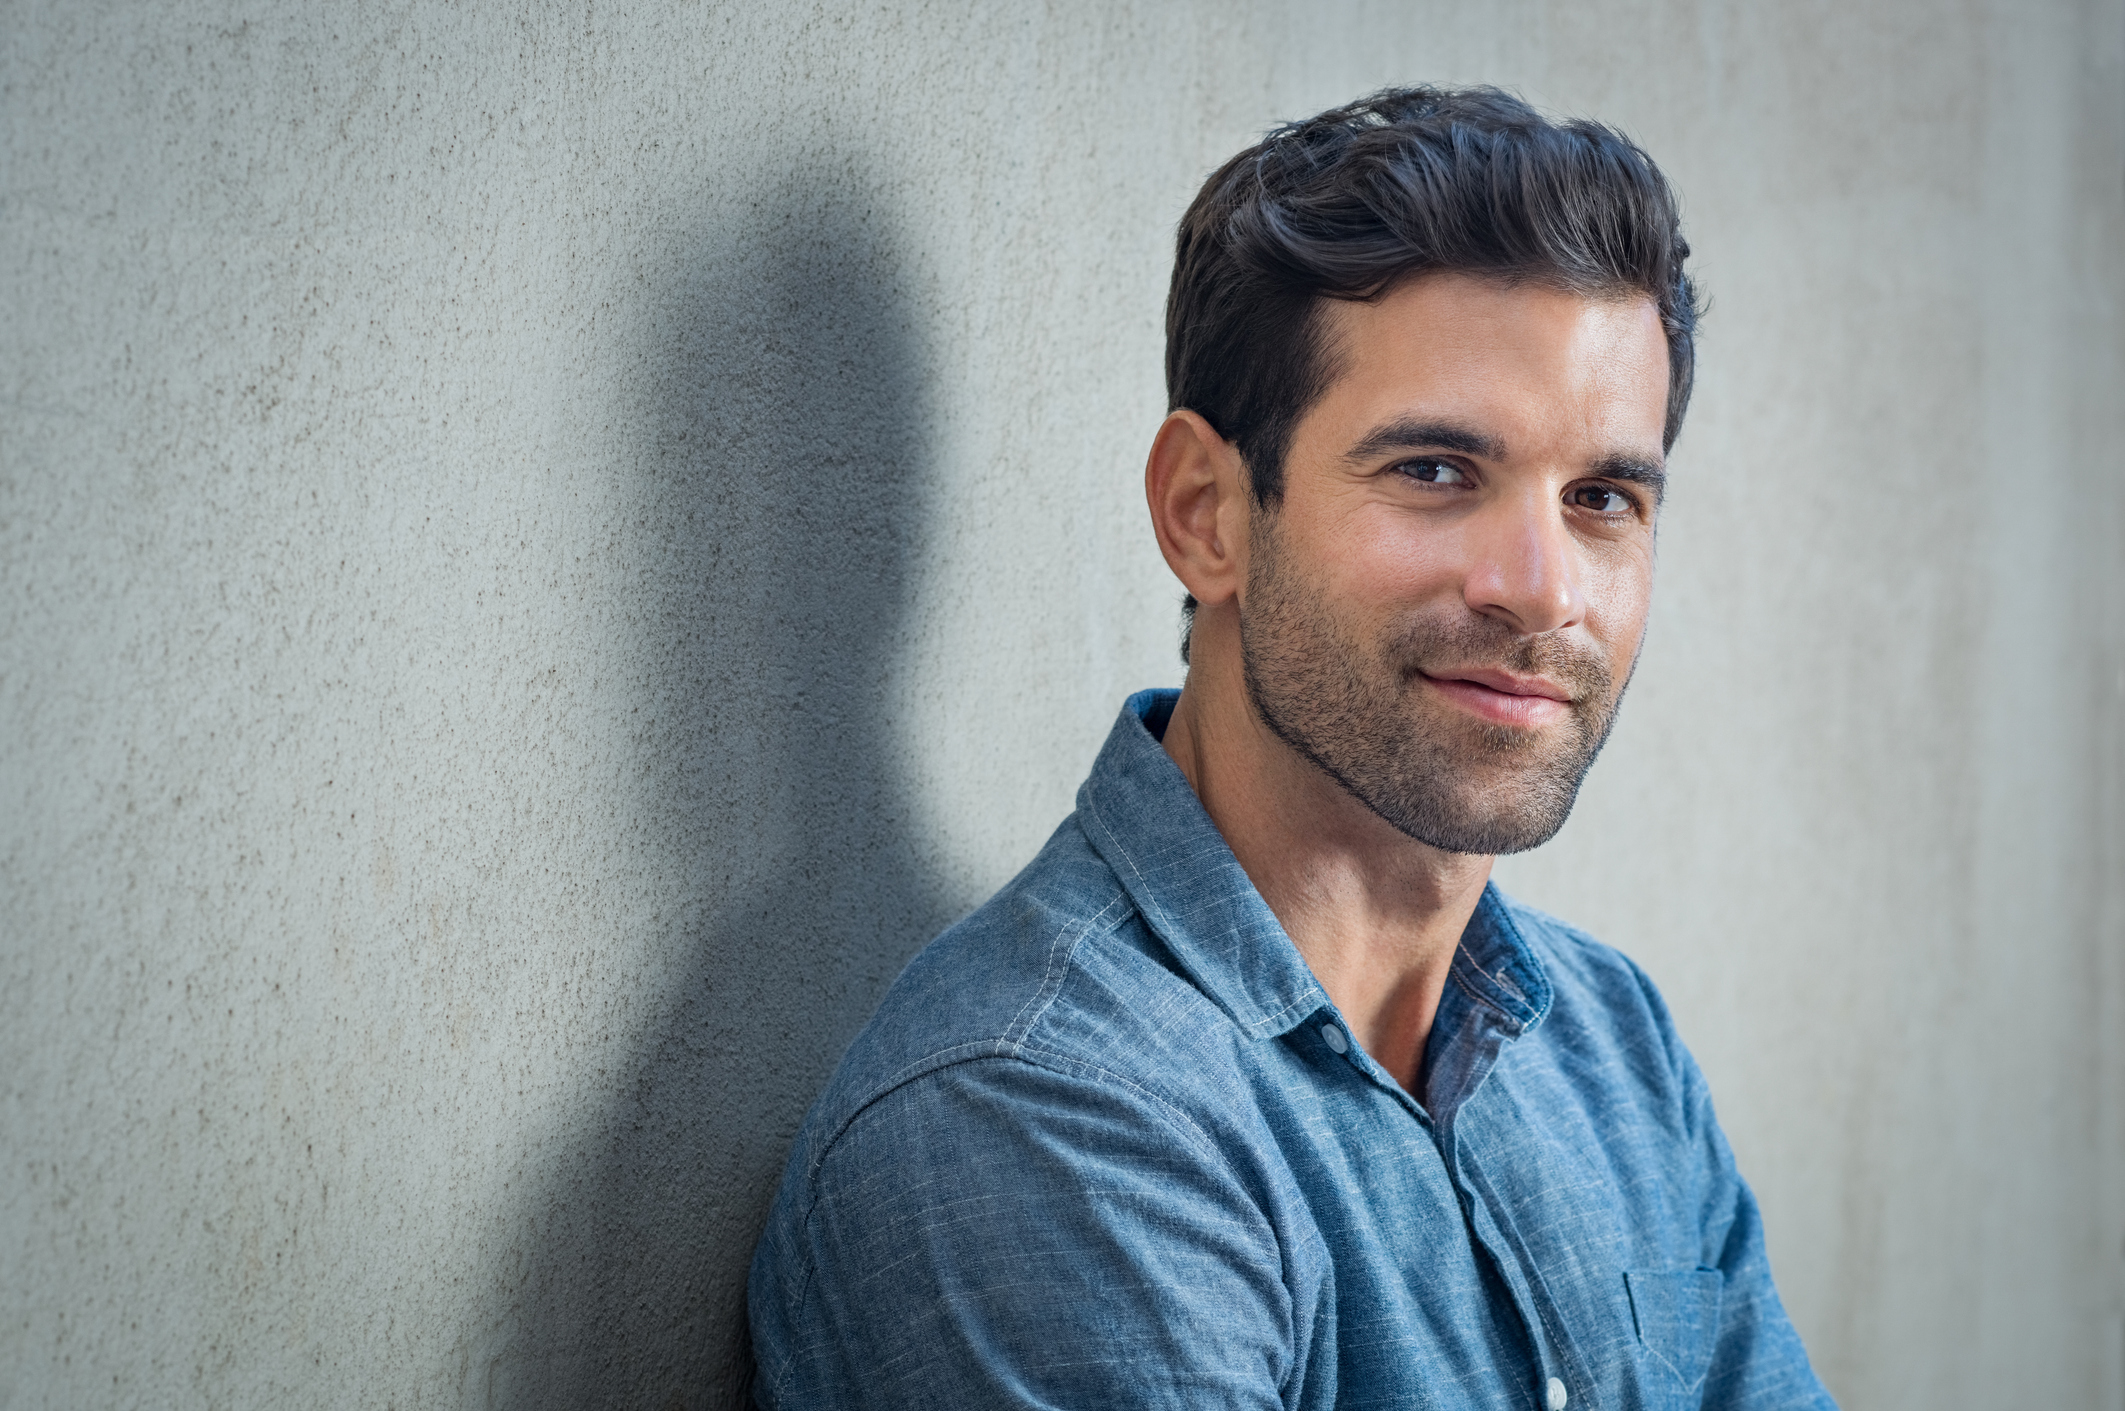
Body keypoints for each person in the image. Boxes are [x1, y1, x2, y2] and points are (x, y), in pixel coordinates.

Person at [747, 86, 1837, 1410]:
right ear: (1205, 514)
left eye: (1601, 498)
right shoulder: (1038, 1113)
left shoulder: (1611, 1049)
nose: (1541, 589)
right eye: (1435, 470)